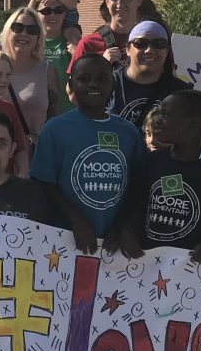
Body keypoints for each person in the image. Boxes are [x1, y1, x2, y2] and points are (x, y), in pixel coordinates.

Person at [30, 54, 145, 252]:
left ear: (112, 85)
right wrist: (76, 219)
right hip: (67, 237)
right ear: (71, 85)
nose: (93, 84)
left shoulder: (128, 132)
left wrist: (122, 226)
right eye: (84, 79)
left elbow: (138, 186)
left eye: (102, 79)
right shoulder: (55, 128)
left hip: (114, 242)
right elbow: (44, 182)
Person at [109, 90, 201, 261]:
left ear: (192, 124)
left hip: (190, 273)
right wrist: (126, 230)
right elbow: (136, 204)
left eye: (165, 115)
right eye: (158, 112)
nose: (157, 120)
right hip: (147, 264)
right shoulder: (151, 161)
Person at [109, 20, 190, 129]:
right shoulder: (108, 84)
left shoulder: (182, 93)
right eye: (140, 43)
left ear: (166, 51)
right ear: (128, 49)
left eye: (159, 44)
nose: (149, 50)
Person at [0, 6, 59, 147]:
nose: (24, 34)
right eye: (18, 28)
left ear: (38, 37)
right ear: (8, 31)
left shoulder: (47, 72)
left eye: (32, 30)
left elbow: (55, 120)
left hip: (34, 156)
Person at [70, 0, 143, 68]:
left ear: (139, 0)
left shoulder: (151, 41)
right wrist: (101, 64)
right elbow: (72, 82)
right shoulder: (88, 44)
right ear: (107, 2)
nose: (119, 4)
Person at [34, 0, 74, 114]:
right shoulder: (29, 44)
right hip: (35, 119)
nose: (52, 15)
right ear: (36, 14)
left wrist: (78, 55)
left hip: (67, 116)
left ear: (65, 14)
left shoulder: (73, 43)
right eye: (46, 11)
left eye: (58, 11)